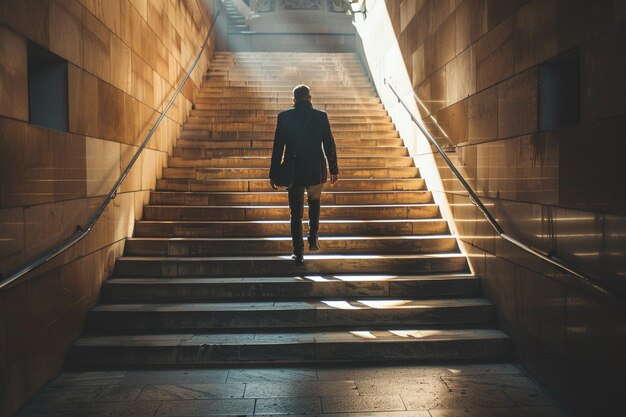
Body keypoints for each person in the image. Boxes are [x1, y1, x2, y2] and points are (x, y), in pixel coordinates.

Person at [269, 84, 339, 266]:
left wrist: (274, 173)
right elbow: (329, 144)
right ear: (310, 97)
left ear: (294, 100)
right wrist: (334, 169)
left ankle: (298, 253)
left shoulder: (284, 117)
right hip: (316, 169)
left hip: (295, 172)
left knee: (295, 214)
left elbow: (278, 148)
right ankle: (313, 235)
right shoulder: (321, 116)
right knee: (315, 202)